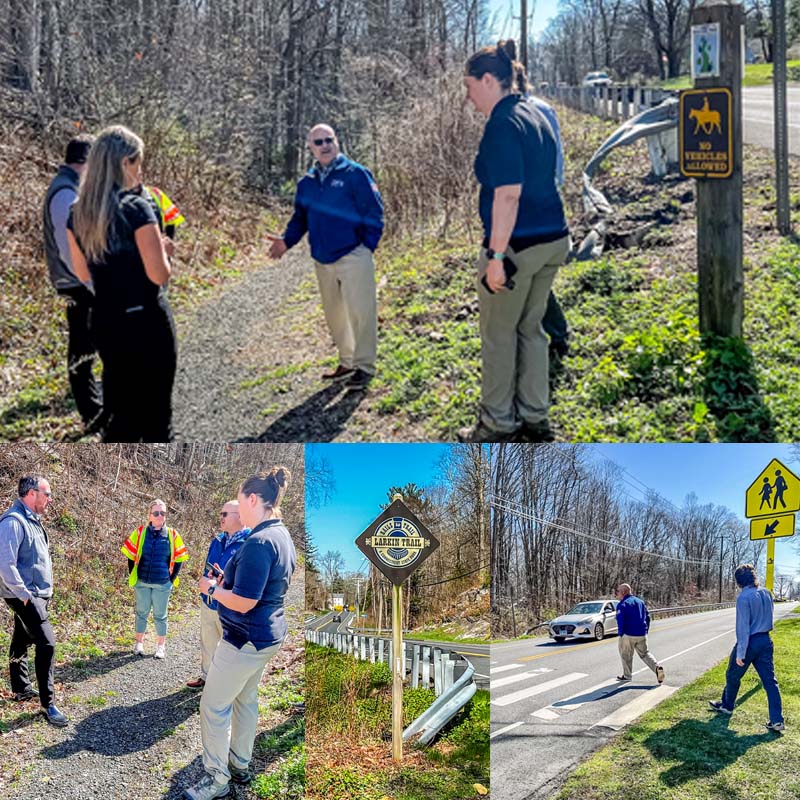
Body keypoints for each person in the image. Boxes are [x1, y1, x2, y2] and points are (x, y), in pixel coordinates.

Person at [460, 40, 571, 443]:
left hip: (518, 247)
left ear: (489, 80)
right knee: (531, 329)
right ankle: (534, 415)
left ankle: (497, 423)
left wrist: (495, 255)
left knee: (498, 333)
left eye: (470, 86)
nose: (469, 97)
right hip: (553, 238)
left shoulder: (502, 124)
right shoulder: (534, 113)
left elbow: (508, 194)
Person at [185, 467, 296, 800]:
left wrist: (212, 589)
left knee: (214, 706)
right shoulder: (282, 535)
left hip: (244, 639)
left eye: (241, 501)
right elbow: (263, 587)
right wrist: (227, 582)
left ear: (252, 499)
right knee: (246, 700)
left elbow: (245, 601)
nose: (238, 510)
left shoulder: (259, 541)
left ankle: (216, 779)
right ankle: (239, 764)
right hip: (267, 637)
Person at [66, 125, 177, 442]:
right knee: (157, 418)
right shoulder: (137, 208)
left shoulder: (78, 213)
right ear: (124, 163)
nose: (140, 171)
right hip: (146, 319)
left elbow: (82, 274)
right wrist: (166, 253)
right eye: (138, 162)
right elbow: (159, 275)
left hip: (106, 320)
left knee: (121, 413)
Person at [267, 124, 384, 391]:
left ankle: (364, 367)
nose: (325, 145)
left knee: (361, 312)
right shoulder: (306, 183)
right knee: (335, 315)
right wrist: (286, 241)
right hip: (322, 258)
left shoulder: (356, 174)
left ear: (337, 141)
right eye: (318, 142)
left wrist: (367, 247)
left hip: (353, 253)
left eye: (329, 140)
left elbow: (375, 212)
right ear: (310, 147)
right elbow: (300, 218)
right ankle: (347, 361)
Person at [42, 135, 104, 432]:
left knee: (91, 343)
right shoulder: (65, 194)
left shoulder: (69, 189)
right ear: (86, 163)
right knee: (81, 347)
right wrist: (92, 283)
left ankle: (97, 407)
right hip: (76, 283)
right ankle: (92, 415)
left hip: (78, 282)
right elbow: (68, 248)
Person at [0, 475, 69, 726]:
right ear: (31, 493)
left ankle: (20, 688)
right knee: (47, 644)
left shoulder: (32, 520)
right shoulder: (13, 522)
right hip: (27, 595)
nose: (50, 499)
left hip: (35, 594)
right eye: (47, 493)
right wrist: (25, 596)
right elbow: (5, 564)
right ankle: (48, 704)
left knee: (21, 637)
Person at [709, 564, 784, 731]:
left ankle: (727, 706)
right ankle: (777, 720)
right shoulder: (766, 592)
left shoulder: (744, 598)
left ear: (739, 581)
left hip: (750, 642)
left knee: (732, 674)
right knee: (770, 681)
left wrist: (741, 653)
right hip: (765, 640)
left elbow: (743, 628)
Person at [186, 501, 251, 689]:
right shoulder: (217, 541)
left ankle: (226, 686)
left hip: (230, 607)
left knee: (230, 649)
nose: (220, 517)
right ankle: (206, 677)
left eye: (225, 514)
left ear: (240, 515)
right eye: (220, 513)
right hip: (209, 601)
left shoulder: (250, 544)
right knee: (207, 642)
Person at [526, 93, 571, 360]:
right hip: (545, 199)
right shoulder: (543, 108)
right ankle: (553, 332)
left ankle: (555, 333)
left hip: (531, 203)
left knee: (531, 271)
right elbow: (557, 161)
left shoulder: (527, 111)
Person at [121, 499, 188, 659]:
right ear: (149, 515)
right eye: (156, 513)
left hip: (162, 583)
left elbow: (180, 557)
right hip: (142, 581)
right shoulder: (139, 532)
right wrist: (134, 575)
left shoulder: (173, 534)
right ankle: (138, 643)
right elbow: (130, 554)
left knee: (160, 615)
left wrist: (171, 579)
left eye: (163, 513)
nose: (159, 516)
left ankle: (160, 646)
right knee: (141, 612)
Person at [614, 583, 665, 684]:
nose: (616, 594)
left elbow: (620, 620)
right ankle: (657, 668)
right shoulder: (640, 602)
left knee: (626, 655)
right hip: (641, 633)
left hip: (628, 634)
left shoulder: (622, 604)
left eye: (618, 591)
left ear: (623, 592)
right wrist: (645, 630)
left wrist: (621, 634)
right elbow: (648, 617)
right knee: (645, 654)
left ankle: (627, 676)